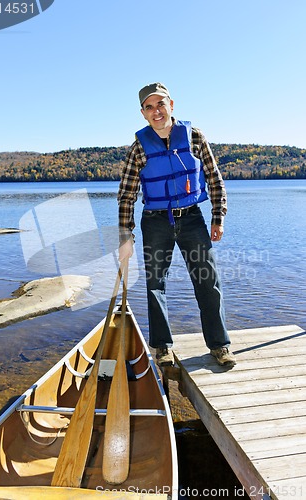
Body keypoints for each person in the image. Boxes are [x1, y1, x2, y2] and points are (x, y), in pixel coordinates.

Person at [118, 82, 236, 368]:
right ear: (143, 113)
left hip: (192, 218)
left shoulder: (194, 136)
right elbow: (127, 194)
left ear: (171, 105)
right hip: (155, 222)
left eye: (161, 104)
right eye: (149, 107)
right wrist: (125, 235)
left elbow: (214, 178)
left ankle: (219, 345)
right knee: (155, 284)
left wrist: (217, 216)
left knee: (208, 282)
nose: (156, 111)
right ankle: (161, 347)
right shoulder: (138, 148)